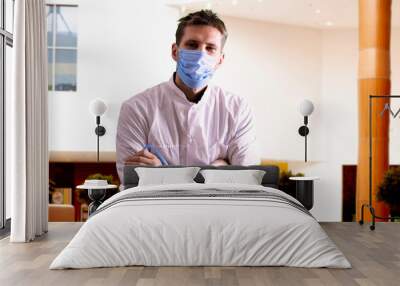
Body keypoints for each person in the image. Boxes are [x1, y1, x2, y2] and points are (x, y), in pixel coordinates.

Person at [116, 10, 260, 183]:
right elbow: (131, 181)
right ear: (175, 51)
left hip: (218, 210)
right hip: (157, 210)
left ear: (220, 59)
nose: (201, 55)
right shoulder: (137, 108)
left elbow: (248, 181)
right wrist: (217, 169)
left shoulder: (238, 109)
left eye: (210, 48)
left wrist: (160, 173)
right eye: (192, 45)